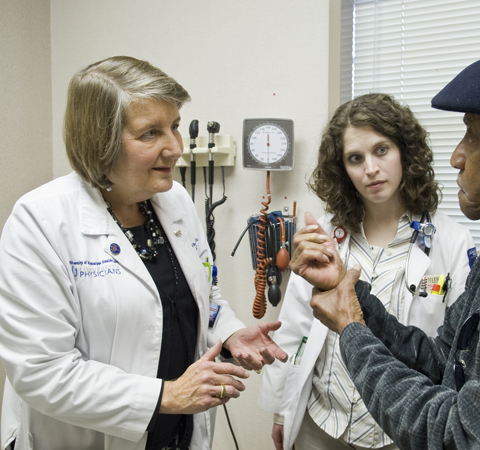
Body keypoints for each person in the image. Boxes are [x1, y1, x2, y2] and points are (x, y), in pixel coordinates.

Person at [292, 41, 480, 449]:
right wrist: (353, 297)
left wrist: (351, 328)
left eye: (472, 136)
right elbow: (445, 361)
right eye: (354, 158)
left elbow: (460, 437)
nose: (456, 157)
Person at [0, 56, 287, 450]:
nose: (174, 148)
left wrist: (231, 331)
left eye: (174, 127)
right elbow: (40, 371)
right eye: (150, 133)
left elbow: (204, 297)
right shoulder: (41, 222)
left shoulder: (175, 201)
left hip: (177, 435)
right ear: (99, 141)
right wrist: (165, 397)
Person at [258, 93, 476, 450]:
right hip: (324, 423)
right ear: (342, 169)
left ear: (405, 151)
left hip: (401, 430)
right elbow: (296, 325)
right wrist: (282, 410)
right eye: (355, 158)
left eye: (381, 150)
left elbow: (455, 352)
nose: (370, 169)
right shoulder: (324, 234)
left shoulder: (451, 241)